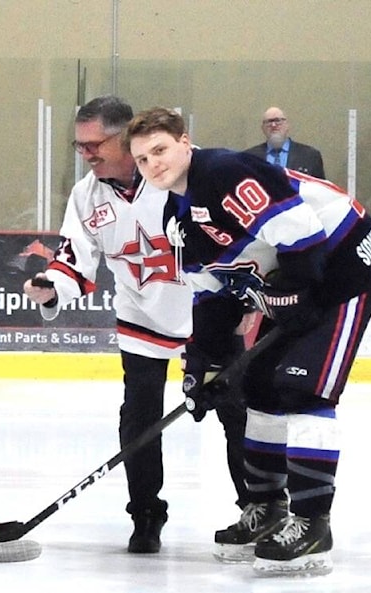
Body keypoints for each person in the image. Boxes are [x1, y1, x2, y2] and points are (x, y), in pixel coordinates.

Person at [127, 107, 371, 575]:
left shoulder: (223, 172)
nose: (153, 164)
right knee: (258, 388)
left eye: (160, 150)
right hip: (299, 276)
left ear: (185, 142)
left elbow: (303, 236)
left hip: (344, 264)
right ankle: (267, 509)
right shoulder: (180, 216)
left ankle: (313, 523)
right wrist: (201, 367)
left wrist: (296, 293)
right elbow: (213, 295)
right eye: (142, 159)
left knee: (303, 387)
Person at [22, 96, 250, 554]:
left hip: (209, 314)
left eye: (94, 144)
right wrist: (52, 284)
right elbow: (75, 258)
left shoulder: (180, 172)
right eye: (79, 144)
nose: (85, 153)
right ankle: (146, 514)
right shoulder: (86, 194)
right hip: (141, 318)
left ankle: (257, 506)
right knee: (139, 419)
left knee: (237, 413)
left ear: (125, 137)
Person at [243, 107, 325, 179]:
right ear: (262, 128)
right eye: (269, 122)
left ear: (287, 125)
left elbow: (321, 191)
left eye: (278, 120)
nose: (273, 125)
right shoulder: (248, 158)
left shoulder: (310, 156)